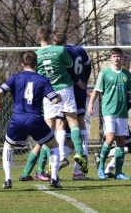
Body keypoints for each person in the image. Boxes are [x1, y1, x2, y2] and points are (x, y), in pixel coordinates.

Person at [19, 26, 88, 181]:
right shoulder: (60, 51)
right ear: (50, 36)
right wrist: (77, 80)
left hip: (48, 93)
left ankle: (41, 169)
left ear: (37, 38)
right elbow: (71, 68)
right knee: (73, 121)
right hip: (65, 89)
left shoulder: (36, 56)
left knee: (47, 131)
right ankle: (78, 153)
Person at [0, 51, 63, 188]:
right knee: (54, 146)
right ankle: (54, 179)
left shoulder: (15, 77)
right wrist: (60, 96)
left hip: (18, 118)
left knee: (8, 146)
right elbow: (55, 100)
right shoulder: (42, 79)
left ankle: (8, 180)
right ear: (36, 64)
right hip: (35, 118)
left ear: (22, 64)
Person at [87, 47, 131, 180]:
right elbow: (97, 90)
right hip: (108, 111)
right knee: (110, 138)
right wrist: (90, 104)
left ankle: (119, 172)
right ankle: (101, 168)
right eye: (114, 56)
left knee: (121, 142)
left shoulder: (126, 75)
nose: (117, 58)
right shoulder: (104, 73)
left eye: (119, 56)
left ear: (122, 58)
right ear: (111, 58)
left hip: (122, 112)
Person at [52, 30, 92, 180]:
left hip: (62, 90)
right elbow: (88, 67)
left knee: (60, 123)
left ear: (53, 41)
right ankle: (78, 170)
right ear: (67, 37)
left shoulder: (56, 52)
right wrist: (83, 81)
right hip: (80, 89)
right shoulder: (80, 49)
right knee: (80, 124)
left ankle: (60, 158)